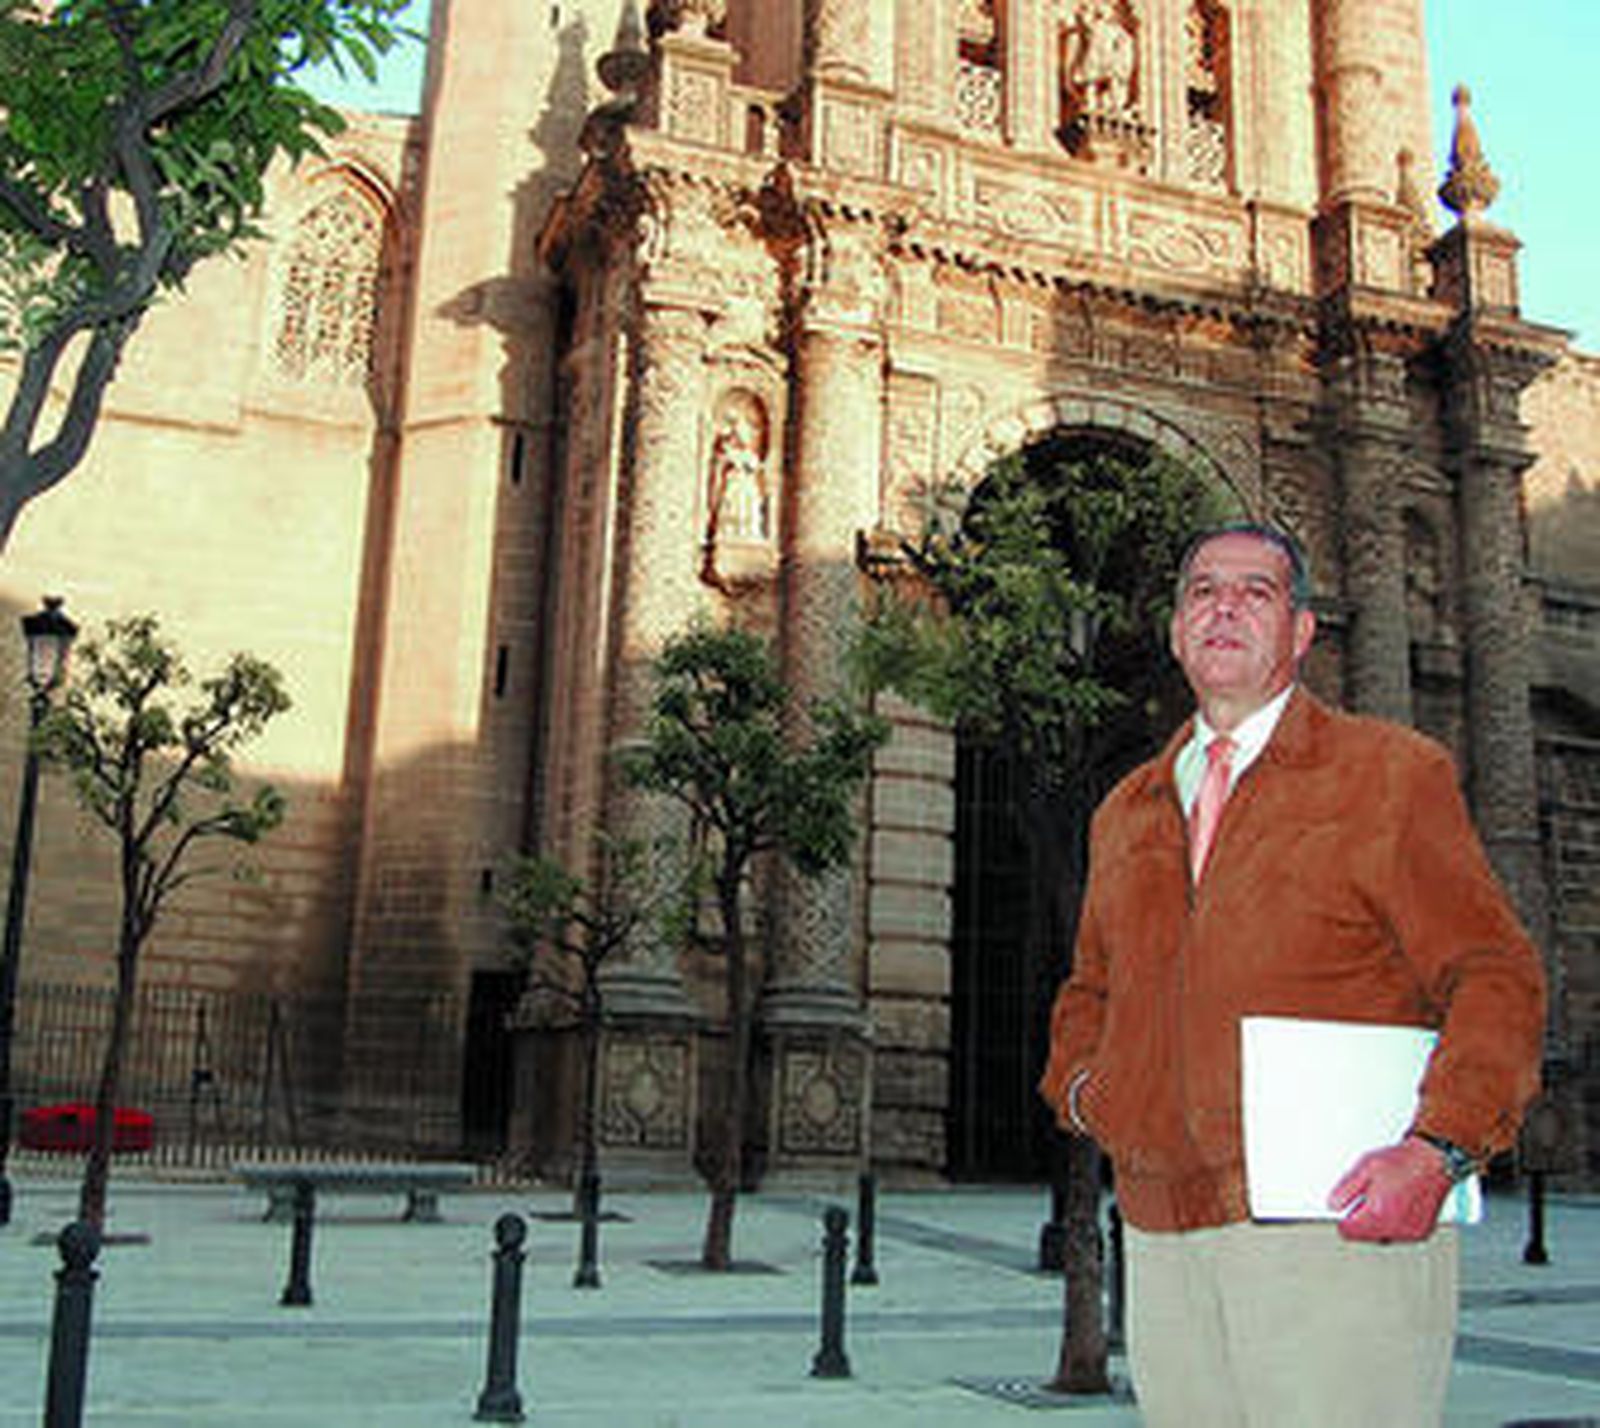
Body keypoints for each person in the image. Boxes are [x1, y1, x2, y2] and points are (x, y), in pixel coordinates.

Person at [1039, 521, 1545, 1427]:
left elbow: (1495, 971)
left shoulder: (1390, 775)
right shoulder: (1128, 808)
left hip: (1336, 1229)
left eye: (1256, 592)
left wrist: (1444, 1145)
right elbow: (1091, 989)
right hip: (1161, 1239)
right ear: (1175, 627)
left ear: (1301, 631)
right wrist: (1088, 1093)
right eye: (1202, 591)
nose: (1224, 607)